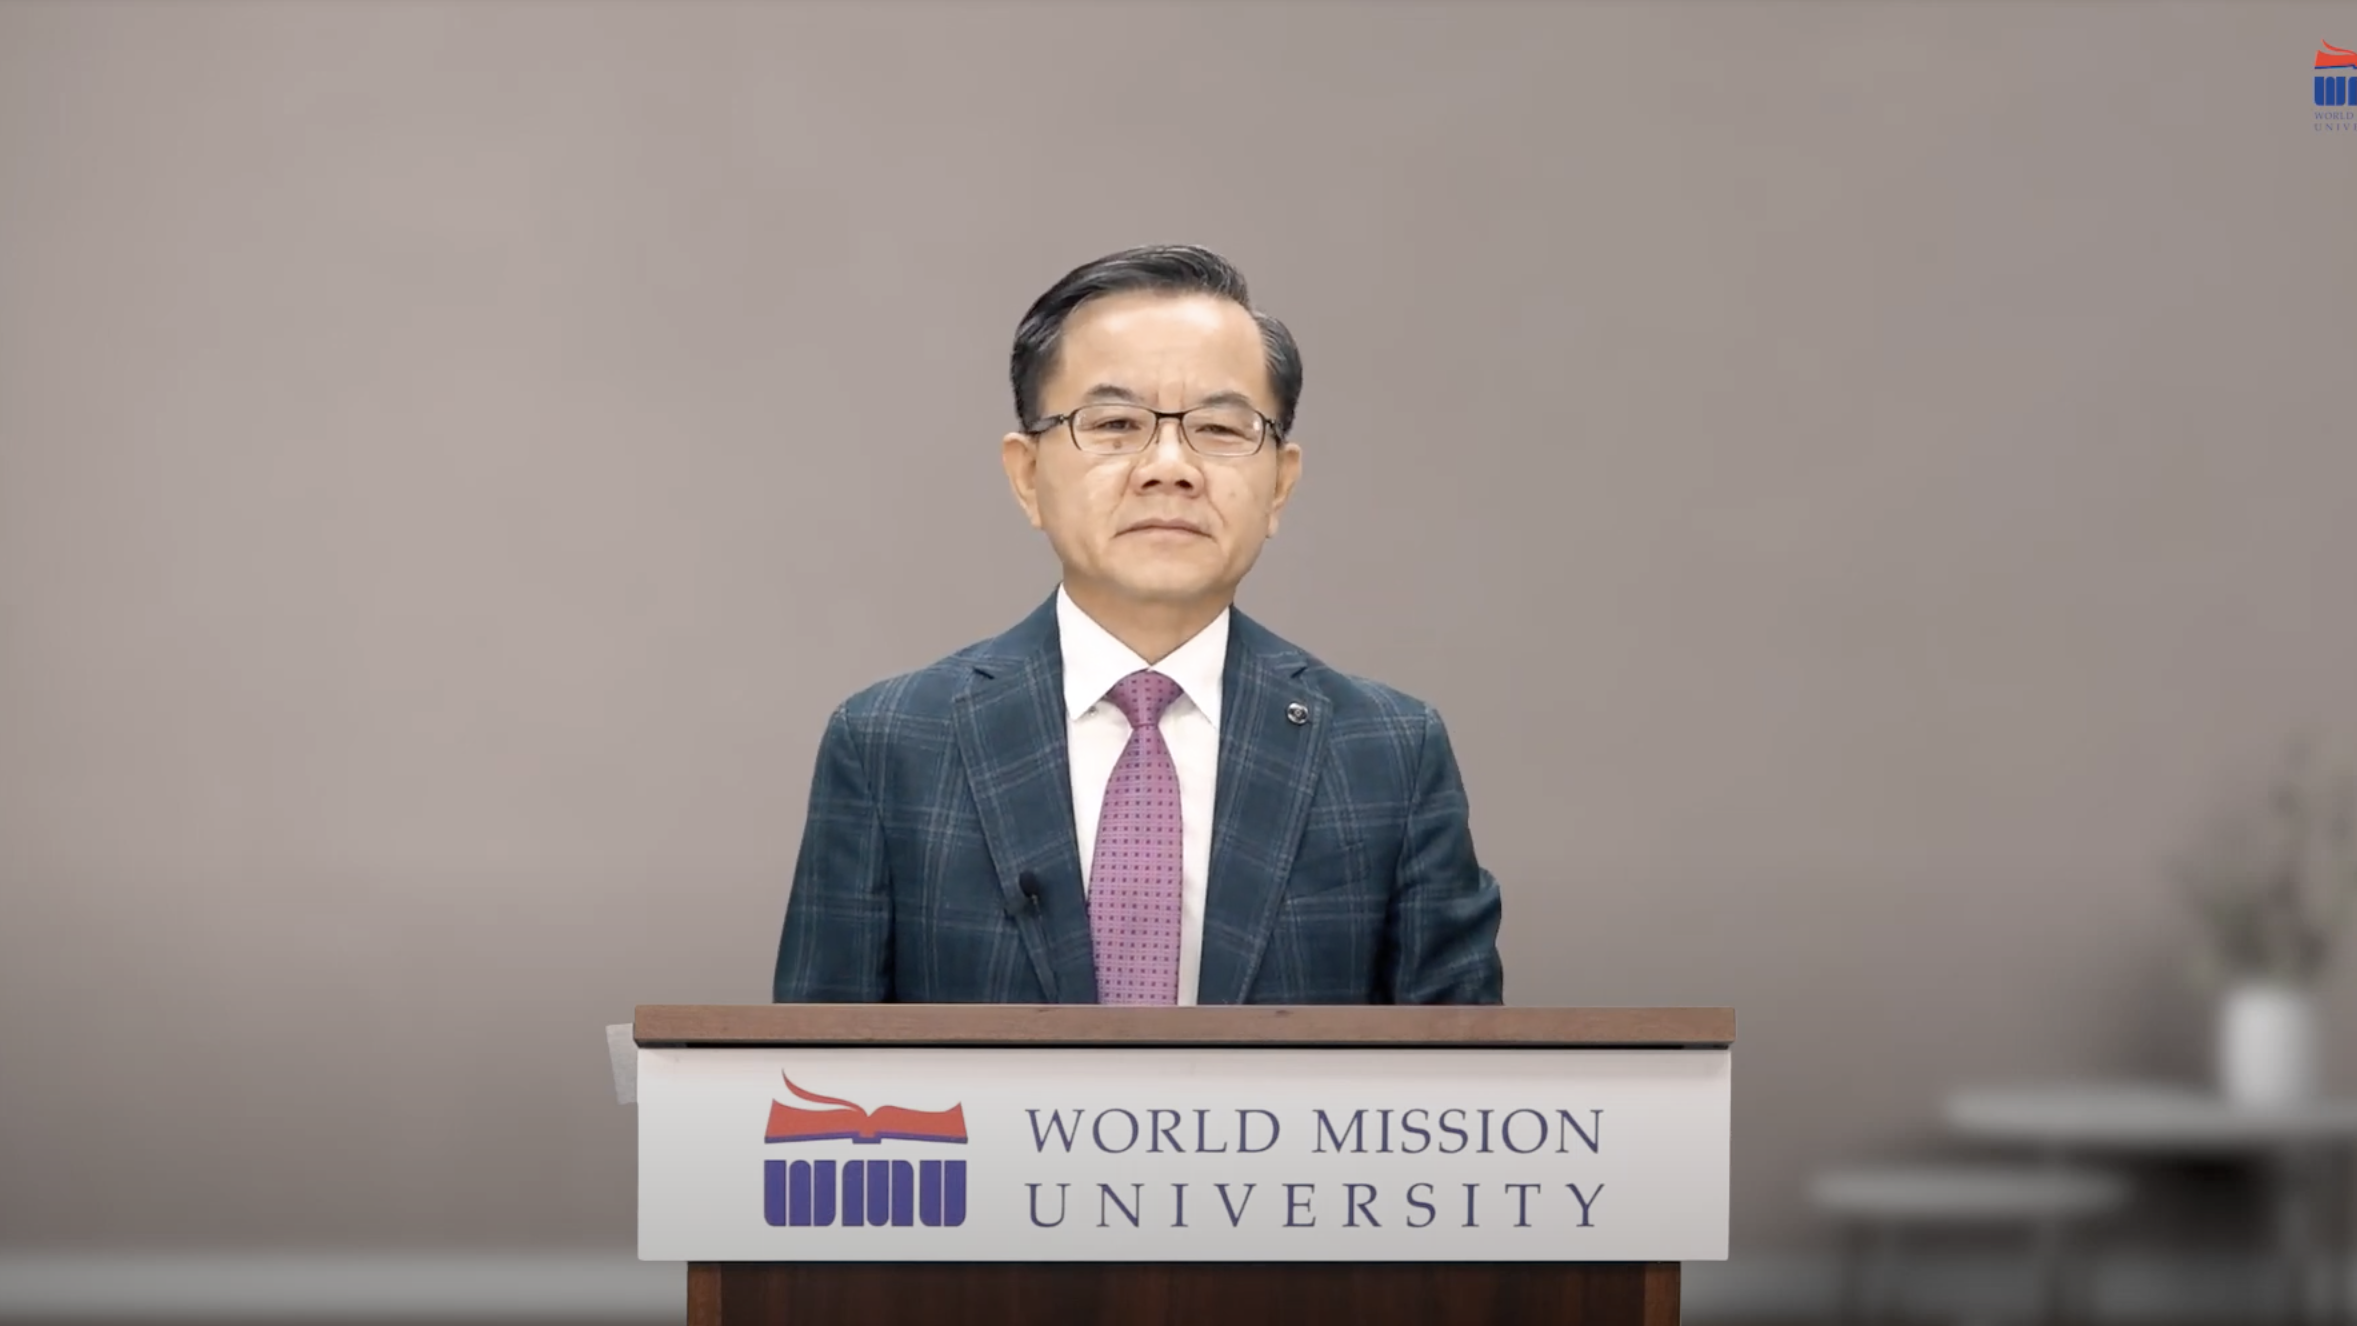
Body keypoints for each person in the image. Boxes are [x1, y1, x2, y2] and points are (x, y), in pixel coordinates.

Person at [772, 245, 1503, 1005]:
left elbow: (1462, 1067)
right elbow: (811, 1063)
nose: (1169, 466)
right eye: (1116, 423)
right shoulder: (890, 745)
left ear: (1280, 485)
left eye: (1220, 428)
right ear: (1028, 476)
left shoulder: (1388, 754)